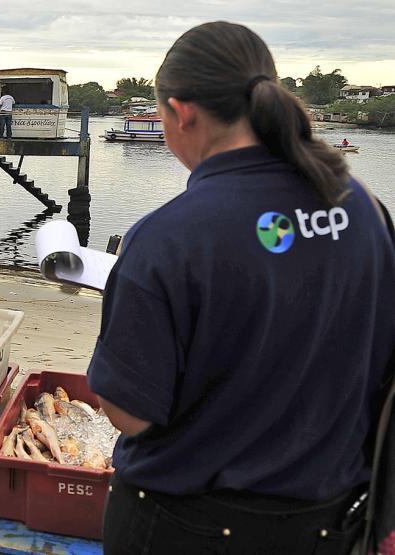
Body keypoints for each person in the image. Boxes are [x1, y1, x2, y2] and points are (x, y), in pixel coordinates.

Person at [88, 22, 395, 555]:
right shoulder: (364, 207)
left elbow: (131, 413)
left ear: (182, 112)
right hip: (332, 523)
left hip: (190, 527)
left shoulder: (167, 238)